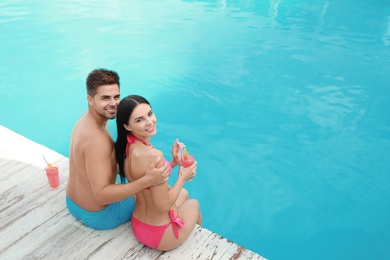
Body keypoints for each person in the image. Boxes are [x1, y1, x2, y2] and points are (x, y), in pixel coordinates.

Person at [66, 69, 170, 230]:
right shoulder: (98, 140)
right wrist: (147, 180)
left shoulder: (83, 123)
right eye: (105, 98)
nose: (113, 103)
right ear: (90, 99)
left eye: (116, 96)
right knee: (156, 199)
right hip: (100, 216)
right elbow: (102, 196)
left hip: (72, 203)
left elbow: (99, 166)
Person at [115, 95, 202, 251]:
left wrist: (173, 163)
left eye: (150, 113)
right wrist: (183, 177)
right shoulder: (154, 156)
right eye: (139, 120)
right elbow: (162, 206)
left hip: (139, 224)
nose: (149, 122)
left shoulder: (127, 148)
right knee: (194, 204)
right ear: (127, 126)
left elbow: (147, 177)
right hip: (161, 234)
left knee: (184, 193)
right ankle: (198, 249)